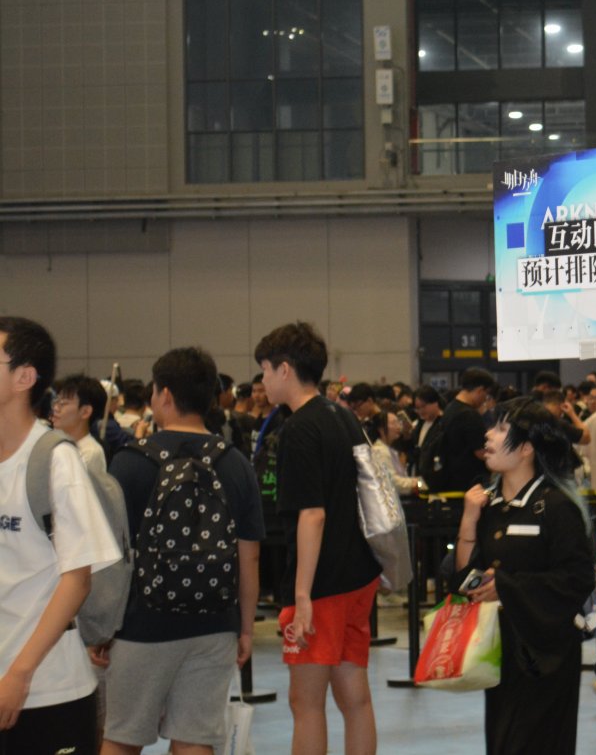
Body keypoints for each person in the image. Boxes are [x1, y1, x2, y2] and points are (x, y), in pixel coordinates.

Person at [101, 348, 264, 755]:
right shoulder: (236, 464)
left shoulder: (129, 463)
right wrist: (244, 628)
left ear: (165, 395)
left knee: (122, 738)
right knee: (194, 740)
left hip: (141, 625)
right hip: (214, 623)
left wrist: (100, 626)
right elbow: (249, 556)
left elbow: (111, 556)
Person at [255, 321, 382, 755]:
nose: (263, 381)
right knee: (355, 699)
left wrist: (301, 596)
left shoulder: (299, 429)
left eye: (265, 370)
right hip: (358, 574)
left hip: (322, 584)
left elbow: (312, 515)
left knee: (305, 703)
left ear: (285, 369)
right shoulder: (342, 416)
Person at [0, 316, 121, 755]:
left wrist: (19, 674)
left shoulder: (54, 460)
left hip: (47, 689)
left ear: (24, 377)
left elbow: (77, 579)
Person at [452, 399, 596, 754]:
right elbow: (463, 580)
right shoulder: (487, 506)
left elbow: (577, 580)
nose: (488, 435)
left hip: (546, 657)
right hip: (499, 654)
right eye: (491, 426)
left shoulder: (556, 507)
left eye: (501, 429)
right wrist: (468, 522)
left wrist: (505, 587)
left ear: (527, 447)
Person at [435, 368, 497, 492]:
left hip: (451, 478)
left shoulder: (450, 408)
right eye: (486, 394)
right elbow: (481, 452)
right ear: (480, 390)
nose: (485, 399)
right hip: (469, 482)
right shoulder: (469, 415)